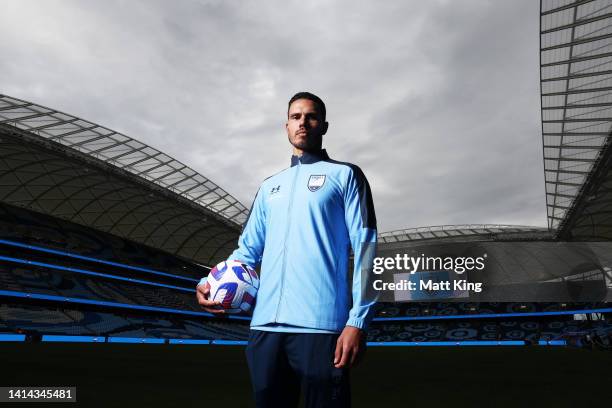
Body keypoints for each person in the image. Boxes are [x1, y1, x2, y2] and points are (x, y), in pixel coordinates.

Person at [196, 91, 378, 408]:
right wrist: (208, 284)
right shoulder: (269, 187)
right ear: (286, 126)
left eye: (311, 116)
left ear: (324, 125)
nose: (303, 123)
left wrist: (357, 321)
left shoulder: (346, 175)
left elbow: (366, 249)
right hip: (264, 329)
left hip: (322, 328)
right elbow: (246, 252)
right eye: (296, 117)